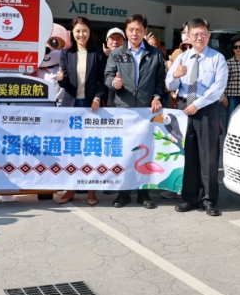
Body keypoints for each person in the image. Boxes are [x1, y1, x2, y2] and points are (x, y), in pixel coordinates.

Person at [167, 18, 228, 216]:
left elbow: (218, 88)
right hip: (184, 109)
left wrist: (197, 104)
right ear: (189, 36)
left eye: (203, 34)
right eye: (195, 35)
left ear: (209, 36)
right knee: (188, 156)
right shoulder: (182, 58)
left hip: (206, 108)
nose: (199, 38)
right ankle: (190, 198)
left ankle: (209, 200)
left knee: (209, 157)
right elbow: (170, 86)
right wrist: (176, 75)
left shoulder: (217, 58)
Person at [104, 14, 165, 209]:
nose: (134, 33)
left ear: (145, 31)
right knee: (124, 152)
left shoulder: (155, 54)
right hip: (124, 110)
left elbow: (160, 81)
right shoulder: (117, 53)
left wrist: (157, 96)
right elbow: (107, 77)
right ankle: (122, 193)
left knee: (144, 153)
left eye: (138, 30)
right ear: (126, 31)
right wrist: (114, 83)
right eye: (131, 30)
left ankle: (143, 193)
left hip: (146, 111)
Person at [56, 17, 108, 206]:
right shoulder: (65, 53)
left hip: (91, 108)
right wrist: (60, 78)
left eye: (84, 30)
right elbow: (65, 83)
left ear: (90, 32)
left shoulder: (98, 54)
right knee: (72, 150)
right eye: (78, 31)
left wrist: (98, 97)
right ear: (72, 33)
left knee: (90, 149)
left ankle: (91, 191)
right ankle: (70, 190)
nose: (81, 34)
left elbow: (105, 82)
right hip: (70, 107)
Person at [102, 28, 125, 106]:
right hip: (102, 102)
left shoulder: (130, 58)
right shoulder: (100, 57)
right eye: (112, 39)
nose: (115, 42)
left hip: (123, 103)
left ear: (124, 42)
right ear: (107, 42)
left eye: (118, 39)